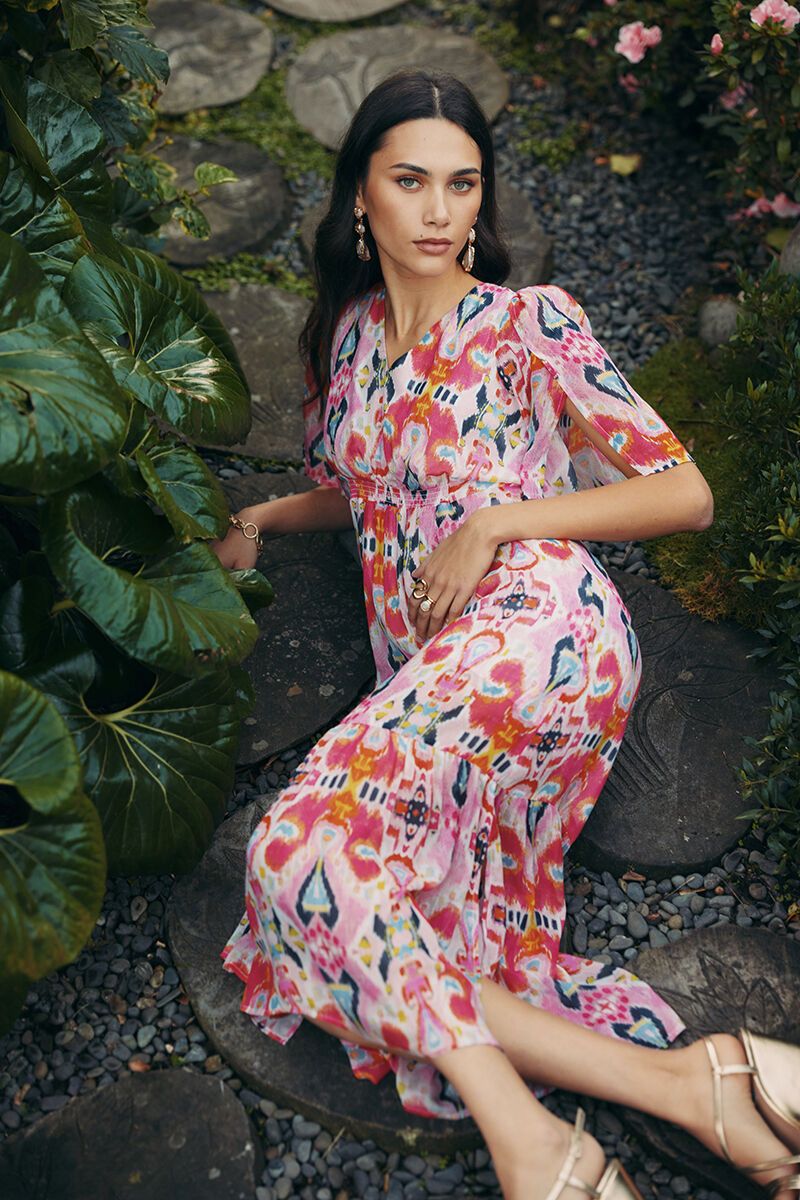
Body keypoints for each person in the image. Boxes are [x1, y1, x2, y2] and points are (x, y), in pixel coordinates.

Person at [210, 69, 800, 1200]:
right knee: (307, 875)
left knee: (303, 848)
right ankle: (692, 1089)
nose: (439, 211)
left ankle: (539, 1150)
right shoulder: (344, 343)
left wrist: (493, 523)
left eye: (463, 184)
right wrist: (265, 517)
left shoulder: (527, 323)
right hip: (435, 667)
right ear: (359, 196)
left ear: (483, 197)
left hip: (541, 617)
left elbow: (683, 494)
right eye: (410, 182)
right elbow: (366, 490)